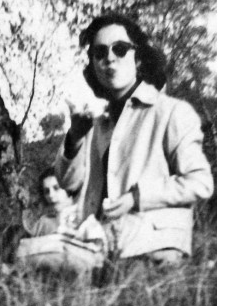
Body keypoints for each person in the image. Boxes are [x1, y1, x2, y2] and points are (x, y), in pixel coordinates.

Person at [56, 14, 214, 265]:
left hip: (155, 251)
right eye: (99, 52)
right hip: (104, 250)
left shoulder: (171, 111)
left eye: (120, 49)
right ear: (94, 66)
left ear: (138, 59)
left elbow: (200, 182)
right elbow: (67, 183)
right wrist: (75, 137)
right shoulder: (97, 124)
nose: (109, 57)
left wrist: (136, 197)